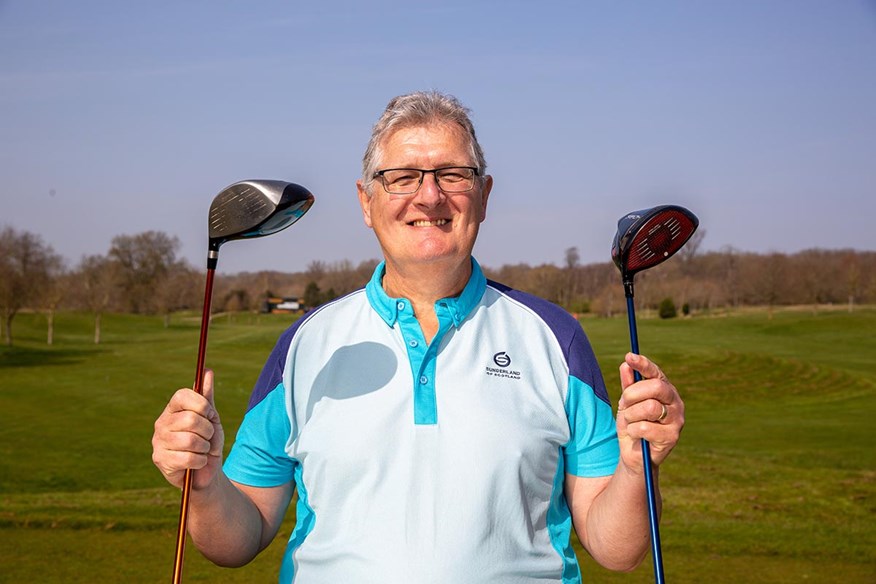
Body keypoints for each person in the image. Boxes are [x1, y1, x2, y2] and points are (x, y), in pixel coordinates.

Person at [152, 90, 685, 583]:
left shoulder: (556, 338)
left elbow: (618, 549)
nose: (429, 196)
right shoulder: (304, 344)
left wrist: (639, 468)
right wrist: (203, 481)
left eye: (453, 174)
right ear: (366, 201)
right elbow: (237, 536)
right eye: (402, 177)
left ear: (483, 195)